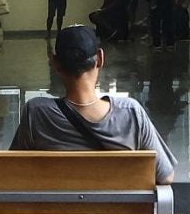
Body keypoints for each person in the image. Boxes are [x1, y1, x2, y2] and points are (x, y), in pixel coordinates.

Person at [10, 25, 174, 184]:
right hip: (118, 212)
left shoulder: (36, 113)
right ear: (100, 59)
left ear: (55, 63)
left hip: (57, 212)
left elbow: (12, 169)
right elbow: (165, 176)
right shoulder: (131, 113)